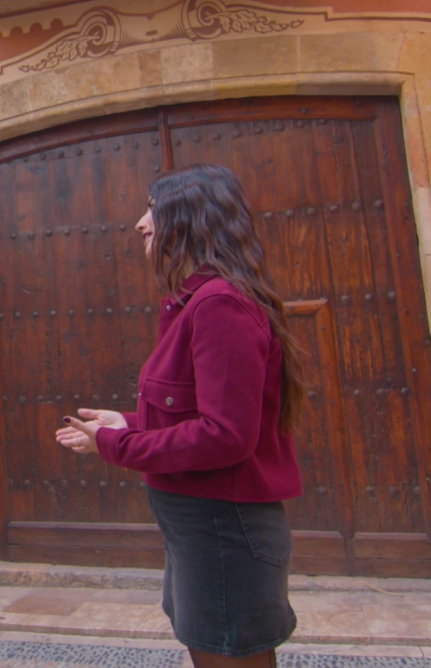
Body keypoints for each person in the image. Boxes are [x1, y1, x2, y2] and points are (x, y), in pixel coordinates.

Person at [55, 163, 304, 668]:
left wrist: (114, 446)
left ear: (190, 218)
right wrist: (128, 423)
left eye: (153, 209)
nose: (140, 223)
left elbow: (225, 436)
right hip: (206, 530)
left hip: (223, 530)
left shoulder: (220, 305)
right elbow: (197, 412)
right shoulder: (199, 302)